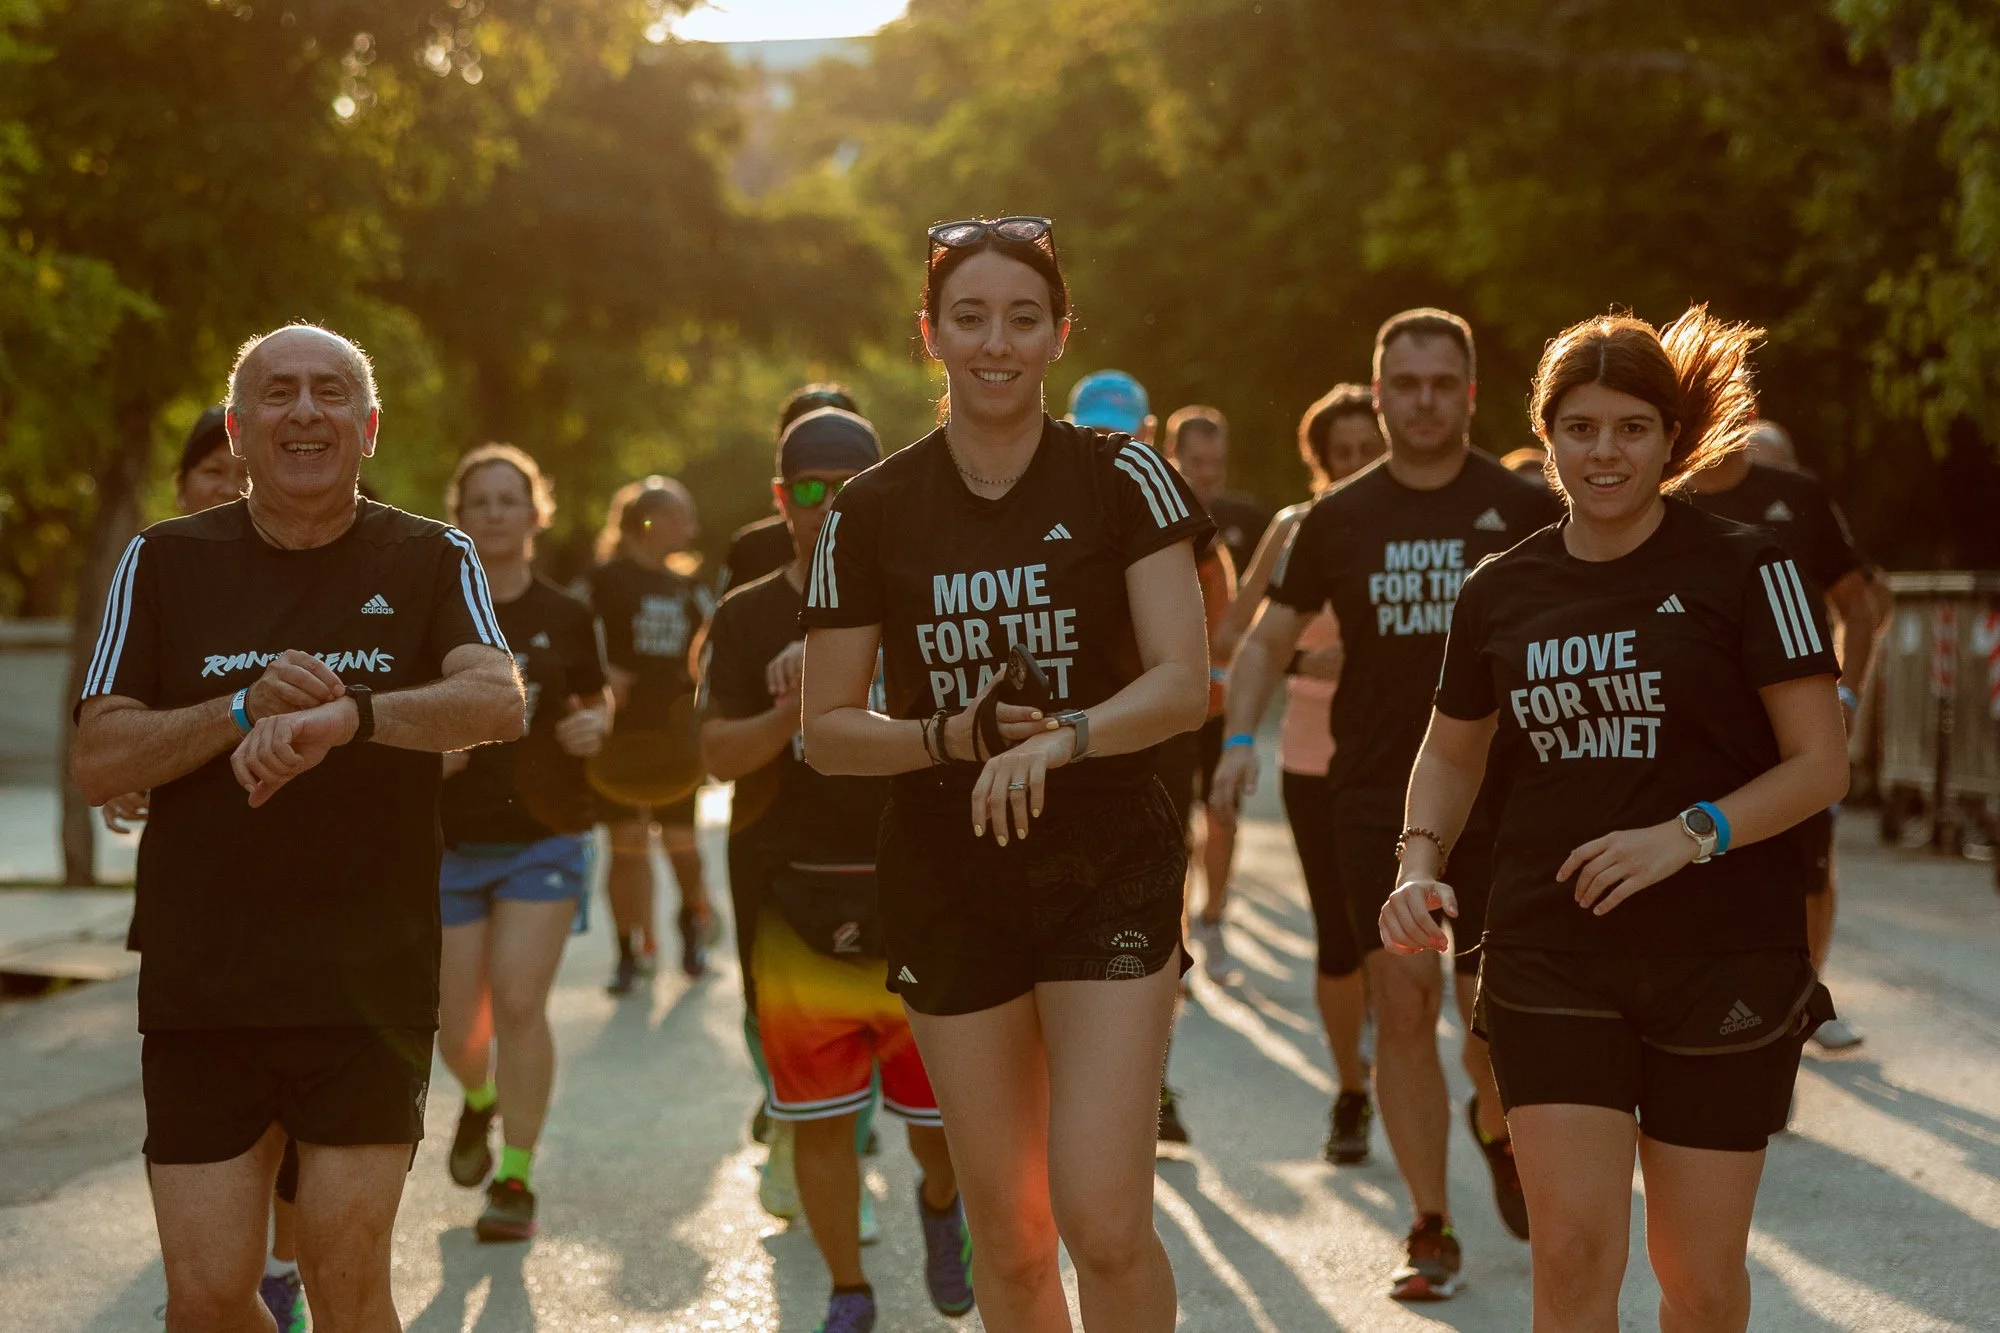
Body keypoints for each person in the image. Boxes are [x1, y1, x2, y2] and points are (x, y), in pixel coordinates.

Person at [1384, 306, 1847, 1330]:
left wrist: (1686, 834)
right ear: (1544, 436)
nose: (1604, 452)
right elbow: (1450, 749)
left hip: (1721, 953)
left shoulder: (1749, 570)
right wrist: (1415, 861)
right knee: (1572, 1250)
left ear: (1670, 438)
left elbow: (1820, 763)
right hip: (1551, 949)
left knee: (1697, 1274)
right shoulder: (1498, 590)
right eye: (1580, 427)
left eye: (1631, 427)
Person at [72, 323, 524, 1333]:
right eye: (278, 394)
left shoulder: (428, 555)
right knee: (206, 1295)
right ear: (239, 430)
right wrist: (238, 709)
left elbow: (496, 700)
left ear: (367, 428)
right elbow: (100, 755)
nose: (305, 411)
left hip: (369, 980)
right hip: (205, 979)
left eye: (330, 393)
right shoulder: (163, 560)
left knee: (345, 1275)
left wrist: (352, 716)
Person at [801, 215, 1210, 1332]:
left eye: (1022, 318)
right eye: (970, 318)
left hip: (1106, 859)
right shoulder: (871, 508)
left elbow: (1183, 681)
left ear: (1058, 334)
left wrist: (1060, 735)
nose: (997, 341)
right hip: (948, 875)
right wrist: (952, 738)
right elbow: (827, 728)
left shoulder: (1124, 474)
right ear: (929, 334)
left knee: (1103, 1216)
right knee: (1014, 1238)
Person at [1211, 308, 1556, 1299]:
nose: (1421, 401)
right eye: (1403, 385)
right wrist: (1238, 738)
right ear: (1376, 389)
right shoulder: (1337, 517)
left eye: (1441, 384)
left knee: (1493, 1016)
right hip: (1374, 796)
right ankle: (1427, 1223)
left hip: (1504, 797)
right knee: (1400, 1007)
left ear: (1470, 394)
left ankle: (1492, 1118)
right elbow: (1270, 638)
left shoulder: (1518, 504)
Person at [702, 405, 972, 1333]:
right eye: (809, 491)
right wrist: (797, 704)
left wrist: (861, 670)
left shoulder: (926, 592)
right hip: (791, 895)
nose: (826, 507)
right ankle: (849, 1288)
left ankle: (941, 1204)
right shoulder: (745, 616)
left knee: (941, 1125)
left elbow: (977, 722)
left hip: (921, 887)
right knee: (818, 1122)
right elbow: (717, 756)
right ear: (782, 500)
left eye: (846, 490)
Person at [97, 405, 316, 1332]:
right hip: (194, 890)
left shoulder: (335, 556)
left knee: (302, 1123)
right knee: (229, 1113)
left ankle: (279, 1268)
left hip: (320, 890)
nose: (229, 484)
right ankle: (232, 1267)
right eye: (210, 471)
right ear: (185, 483)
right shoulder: (162, 569)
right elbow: (117, 729)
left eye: (240, 468)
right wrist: (135, 775)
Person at [433, 444, 612, 1243]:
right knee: (453, 1026)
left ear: (536, 514)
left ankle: (517, 1177)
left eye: (511, 499)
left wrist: (595, 723)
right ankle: (478, 1101)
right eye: (482, 501)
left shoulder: (566, 613)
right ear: (460, 518)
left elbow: (594, 697)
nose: (497, 512)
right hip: (449, 841)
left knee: (516, 1001)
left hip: (545, 836)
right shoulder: (435, 608)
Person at [1214, 382, 1385, 1165]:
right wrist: (1304, 661)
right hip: (1316, 759)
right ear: (1317, 463)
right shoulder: (1294, 529)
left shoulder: (1415, 524)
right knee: (1340, 937)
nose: (1354, 467)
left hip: (1415, 759)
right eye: (1339, 455)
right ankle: (1352, 1089)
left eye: (1366, 451)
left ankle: (1473, 1097)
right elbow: (1234, 635)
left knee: (1415, 939)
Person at [1686, 420, 1883, 1051]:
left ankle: (1795, 1012)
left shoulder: (1796, 497)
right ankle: (1720, 1021)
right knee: (1702, 870)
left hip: (1795, 729)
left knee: (1806, 874)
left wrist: (1846, 693)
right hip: (1696, 729)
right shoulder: (1661, 495)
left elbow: (1859, 603)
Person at [584, 477, 718, 992]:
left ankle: (693, 923)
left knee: (682, 845)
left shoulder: (689, 589)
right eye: (682, 515)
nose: (693, 527)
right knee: (626, 845)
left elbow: (716, 652)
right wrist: (600, 679)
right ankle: (629, 951)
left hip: (675, 740)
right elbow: (572, 646)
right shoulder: (601, 584)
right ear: (650, 522)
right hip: (618, 739)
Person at [1160, 406, 1248, 988]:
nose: (1207, 476)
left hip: (1218, 707)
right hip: (1169, 710)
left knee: (1223, 813)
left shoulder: (1230, 528)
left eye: (1215, 465)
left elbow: (1239, 621)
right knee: (1171, 825)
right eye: (1196, 464)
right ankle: (1174, 939)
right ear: (1173, 458)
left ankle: (1212, 920)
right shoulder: (1156, 524)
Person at [716, 384, 864, 601]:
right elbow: (723, 623)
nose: (827, 505)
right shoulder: (753, 548)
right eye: (802, 436)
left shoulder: (891, 547)